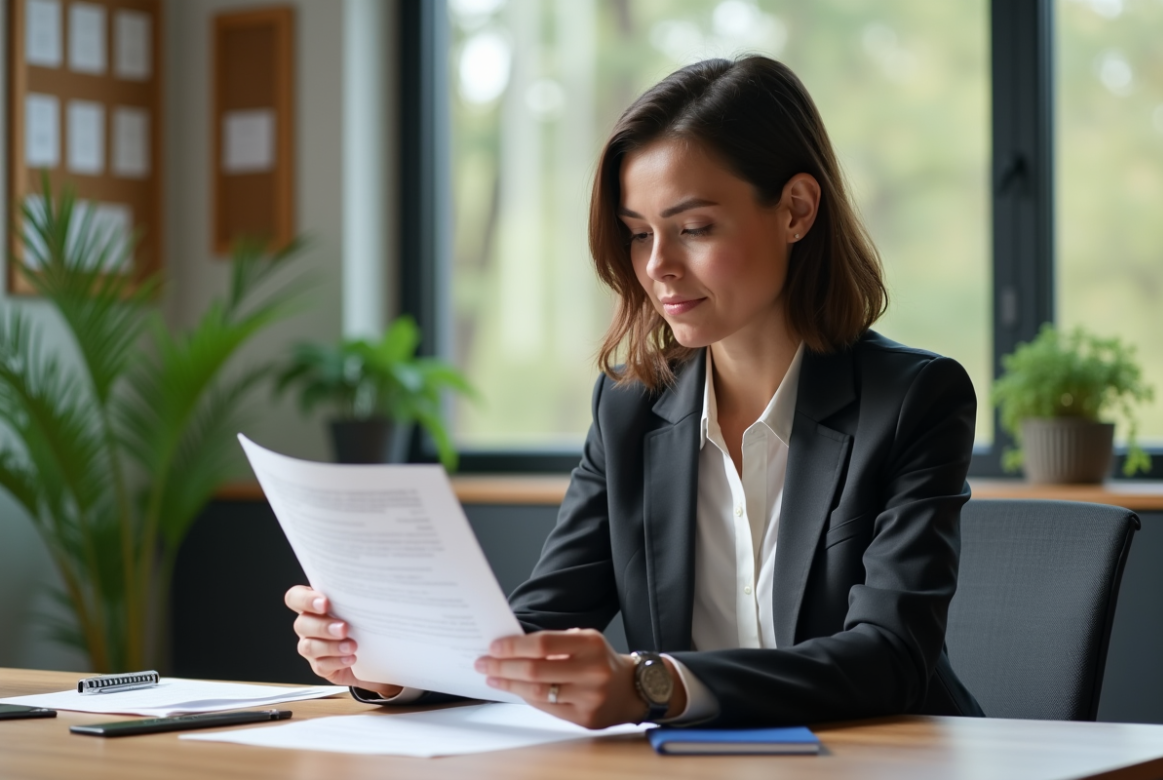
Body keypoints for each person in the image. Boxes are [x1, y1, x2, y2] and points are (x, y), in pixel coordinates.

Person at [285, 55, 984, 729]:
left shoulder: (914, 400)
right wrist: (393, 664)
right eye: (638, 234)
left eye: (694, 229)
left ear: (797, 210)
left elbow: (890, 656)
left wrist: (656, 685)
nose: (658, 268)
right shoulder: (629, 408)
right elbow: (537, 628)